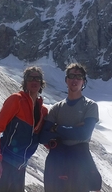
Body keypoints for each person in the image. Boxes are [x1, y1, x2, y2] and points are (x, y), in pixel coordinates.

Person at [40, 63, 102, 192]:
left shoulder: (90, 106)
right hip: (59, 160)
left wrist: (56, 128)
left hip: (77, 162)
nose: (75, 79)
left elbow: (84, 134)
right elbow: (43, 136)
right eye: (71, 76)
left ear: (84, 82)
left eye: (79, 77)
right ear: (66, 80)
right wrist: (73, 129)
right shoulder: (56, 108)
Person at [0, 66, 49, 192]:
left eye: (37, 78)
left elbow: (43, 139)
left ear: (42, 83)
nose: (34, 81)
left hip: (20, 167)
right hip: (3, 162)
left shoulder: (43, 111)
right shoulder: (16, 100)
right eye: (30, 77)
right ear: (25, 82)